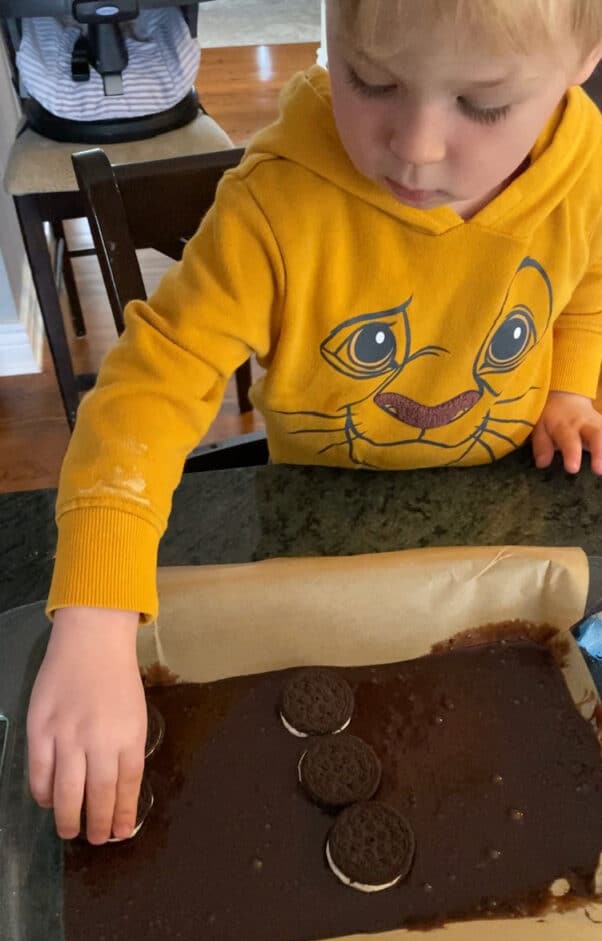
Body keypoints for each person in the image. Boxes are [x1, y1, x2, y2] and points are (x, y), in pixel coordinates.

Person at [27, 0, 602, 846]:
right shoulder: (277, 203)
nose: (416, 146)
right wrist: (96, 612)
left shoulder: (583, 162)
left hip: (500, 504)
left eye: (481, 105)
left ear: (583, 63)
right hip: (311, 518)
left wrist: (570, 389)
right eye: (369, 79)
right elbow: (150, 387)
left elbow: (585, 277)